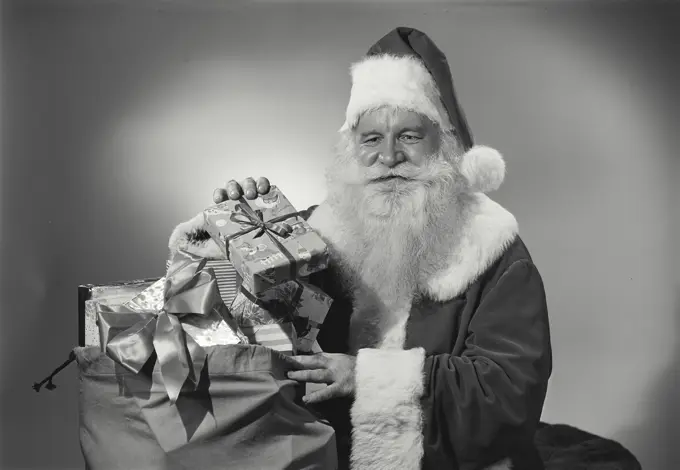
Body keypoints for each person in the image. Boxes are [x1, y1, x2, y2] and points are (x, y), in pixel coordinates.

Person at [171, 27, 552, 470]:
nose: (388, 156)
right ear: (353, 148)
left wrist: (366, 378)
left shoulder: (494, 251)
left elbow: (509, 395)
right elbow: (228, 327)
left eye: (409, 135)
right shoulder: (313, 233)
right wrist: (229, 234)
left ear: (444, 146)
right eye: (371, 138)